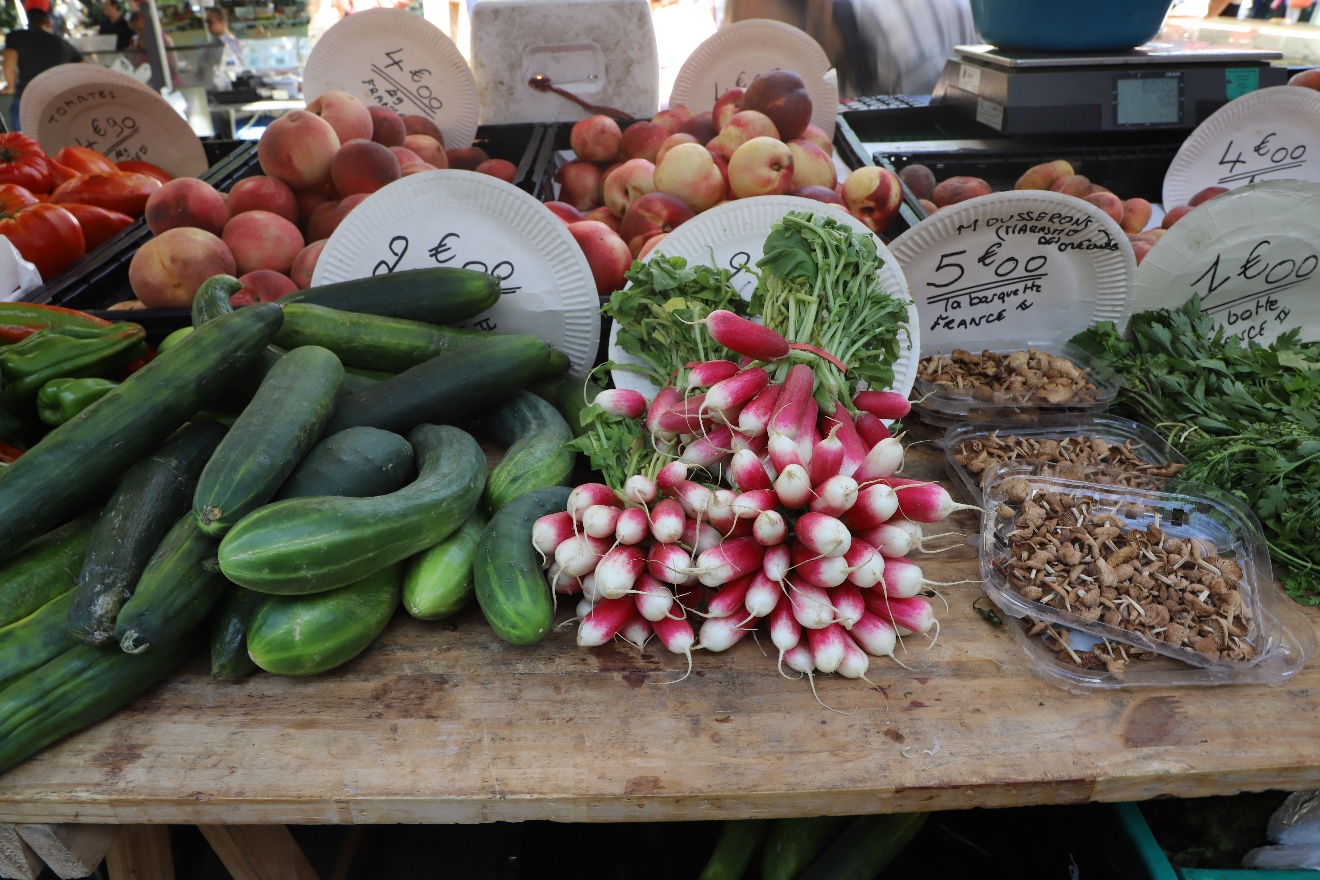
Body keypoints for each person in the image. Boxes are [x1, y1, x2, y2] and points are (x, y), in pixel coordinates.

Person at [722, 0, 975, 97]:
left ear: (819, 7)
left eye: (781, 44)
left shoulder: (907, 42)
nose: (771, 74)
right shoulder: (824, 53)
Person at [2, 1, 83, 132]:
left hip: (25, 99)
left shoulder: (16, 37)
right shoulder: (61, 43)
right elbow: (83, 67)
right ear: (48, 23)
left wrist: (11, 87)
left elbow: (8, 67)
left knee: (23, 147)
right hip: (57, 101)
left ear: (29, 22)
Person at [126, 10, 183, 88]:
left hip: (168, 83)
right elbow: (132, 66)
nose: (141, 32)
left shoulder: (164, 41)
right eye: (136, 29)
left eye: (141, 28)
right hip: (145, 85)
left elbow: (174, 68)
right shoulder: (134, 43)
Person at [200, 5, 245, 81]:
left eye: (210, 22)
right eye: (207, 23)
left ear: (222, 22)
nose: (208, 26)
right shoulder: (213, 42)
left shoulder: (230, 43)